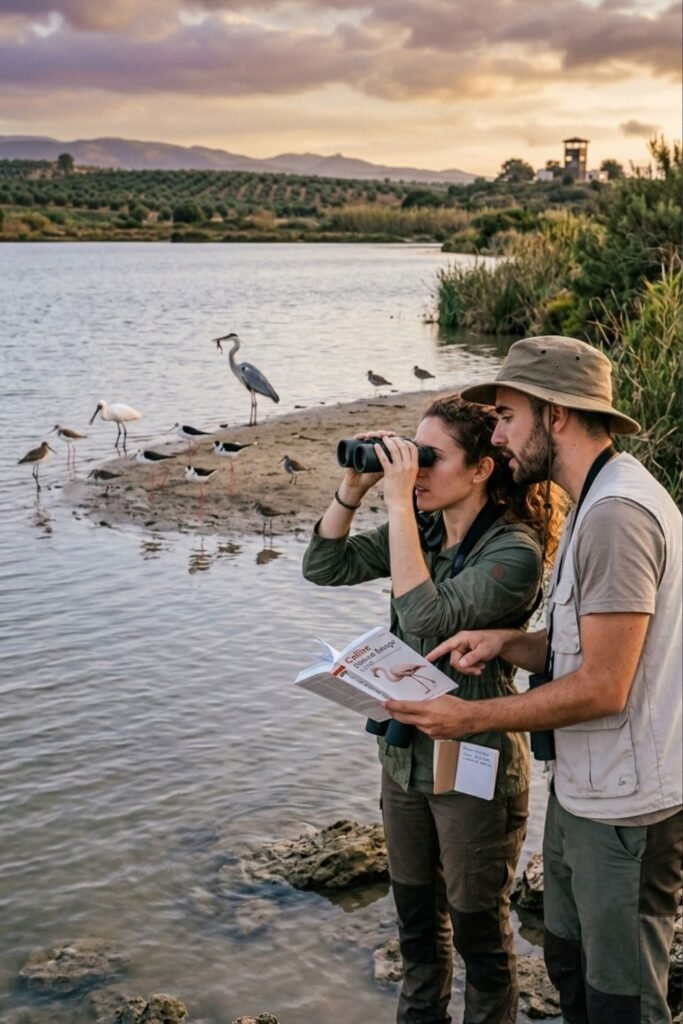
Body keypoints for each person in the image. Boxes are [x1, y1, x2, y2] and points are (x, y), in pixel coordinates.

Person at [384, 336, 683, 1024]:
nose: (496, 435)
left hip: (625, 808)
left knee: (621, 1004)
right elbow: (594, 644)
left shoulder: (616, 514)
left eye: (507, 416)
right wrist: (512, 643)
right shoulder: (593, 497)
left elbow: (604, 686)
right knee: (572, 974)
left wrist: (468, 720)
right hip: (588, 793)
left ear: (554, 415)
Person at [302, 395, 563, 1024]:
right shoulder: (417, 529)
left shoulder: (514, 553)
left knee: (479, 935)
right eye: (411, 456)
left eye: (429, 458)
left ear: (481, 470)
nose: (414, 471)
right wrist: (353, 487)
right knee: (417, 926)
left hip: (474, 762)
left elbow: (425, 615)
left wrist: (396, 502)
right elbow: (322, 565)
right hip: (404, 759)